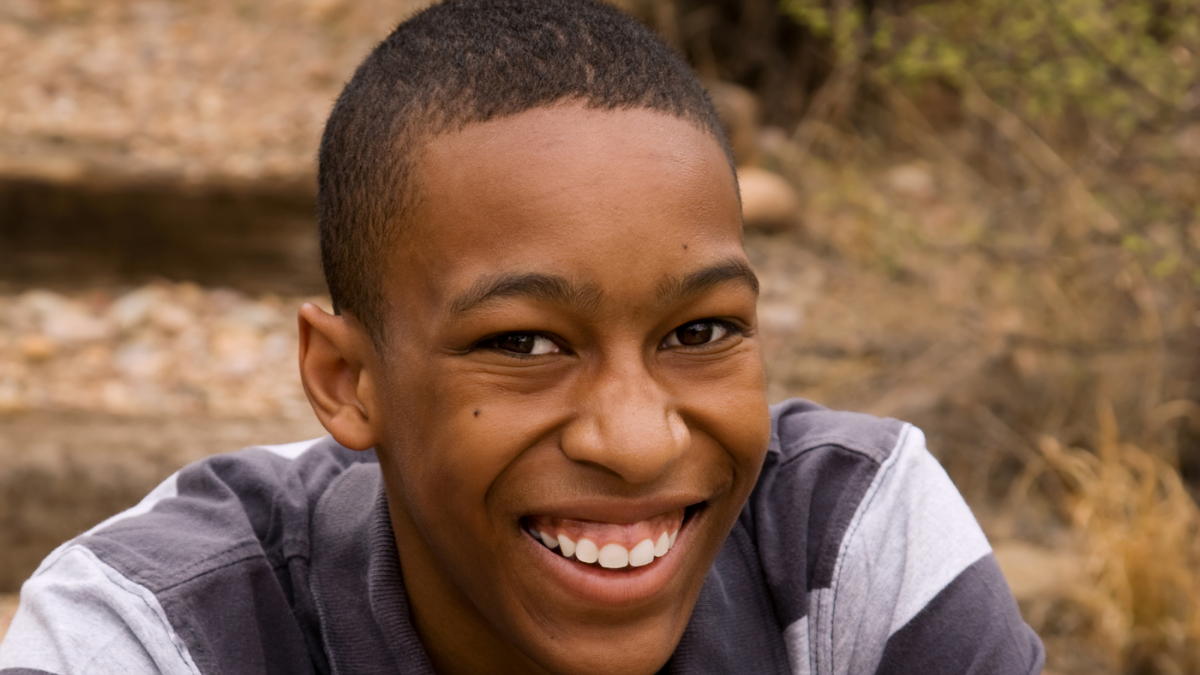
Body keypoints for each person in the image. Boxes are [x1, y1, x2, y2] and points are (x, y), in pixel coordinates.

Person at [0, 0, 1044, 673]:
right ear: (347, 379)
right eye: (527, 345)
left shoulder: (842, 543)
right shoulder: (159, 633)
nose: (637, 441)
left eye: (701, 329)